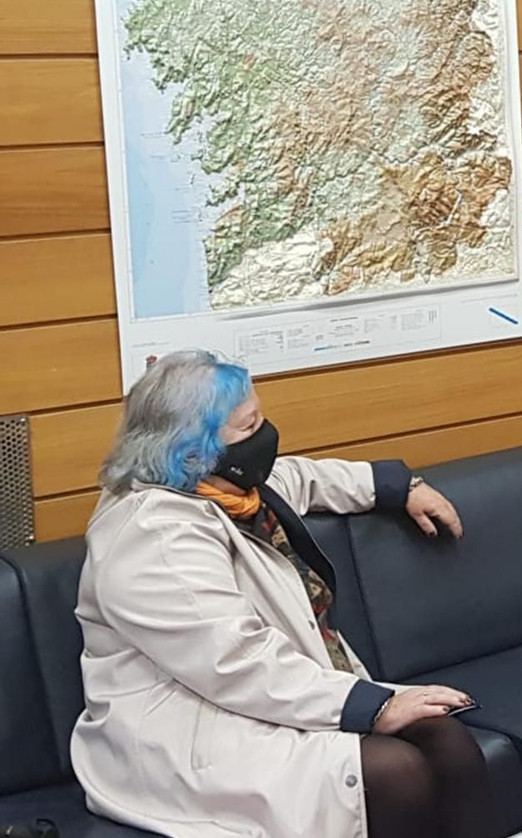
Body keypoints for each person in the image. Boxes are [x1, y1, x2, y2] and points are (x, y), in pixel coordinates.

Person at [71, 350, 495, 838]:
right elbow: (235, 661)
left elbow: (302, 477)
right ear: (193, 449)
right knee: (394, 772)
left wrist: (398, 486)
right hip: (189, 731)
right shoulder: (151, 537)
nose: (266, 436)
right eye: (249, 427)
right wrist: (370, 707)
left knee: (449, 741)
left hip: (275, 695)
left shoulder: (225, 485)